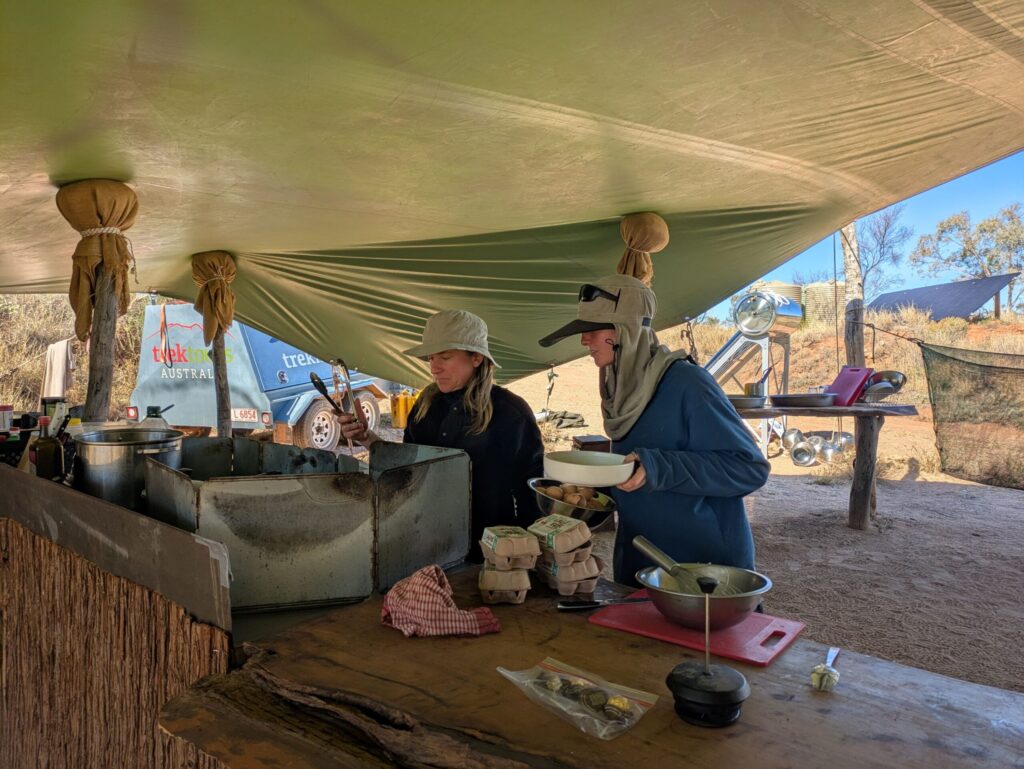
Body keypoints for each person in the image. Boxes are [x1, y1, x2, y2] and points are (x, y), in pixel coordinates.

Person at [539, 275, 770, 586]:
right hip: (639, 557)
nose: (584, 341)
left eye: (592, 332)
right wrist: (591, 489)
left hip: (701, 567)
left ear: (625, 333)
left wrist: (657, 466)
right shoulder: (619, 390)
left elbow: (748, 468)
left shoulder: (688, 384)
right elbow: (634, 470)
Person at [340, 309, 544, 561]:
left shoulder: (511, 413)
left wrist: (529, 554)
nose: (434, 368)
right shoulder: (427, 404)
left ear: (477, 358)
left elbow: (533, 492)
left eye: (445, 357)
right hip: (426, 540)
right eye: (431, 358)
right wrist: (366, 437)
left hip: (488, 551)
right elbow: (407, 467)